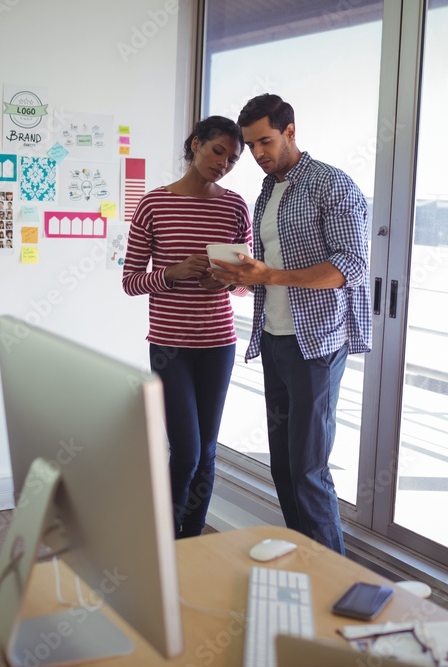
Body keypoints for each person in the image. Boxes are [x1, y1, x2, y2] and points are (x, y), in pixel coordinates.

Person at [209, 94, 371, 555]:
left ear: (290, 132)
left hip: (316, 343)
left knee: (308, 468)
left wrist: (270, 276)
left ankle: (334, 577)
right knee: (282, 465)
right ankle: (306, 563)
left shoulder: (332, 185)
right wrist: (240, 276)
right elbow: (270, 263)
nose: (257, 154)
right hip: (274, 338)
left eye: (265, 141)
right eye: (251, 145)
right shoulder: (267, 190)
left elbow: (351, 266)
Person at [122, 115, 252, 539]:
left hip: (218, 343)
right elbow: (129, 282)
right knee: (187, 451)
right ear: (195, 144)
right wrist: (172, 273)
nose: (224, 164)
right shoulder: (153, 204)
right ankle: (161, 538)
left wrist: (227, 280)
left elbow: (247, 283)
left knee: (208, 452)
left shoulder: (235, 206)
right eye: (218, 152)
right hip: (169, 345)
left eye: (233, 159)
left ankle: (192, 540)